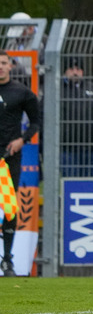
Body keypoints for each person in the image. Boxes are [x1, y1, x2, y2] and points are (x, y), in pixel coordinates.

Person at [0, 52, 40, 275]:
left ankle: (7, 260)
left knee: (8, 207)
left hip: (8, 159)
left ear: (10, 66)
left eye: (4, 63)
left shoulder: (22, 92)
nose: (1, 67)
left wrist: (21, 140)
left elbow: (35, 123)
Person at [60, 57, 93, 177]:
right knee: (69, 182)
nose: (75, 72)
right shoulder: (57, 90)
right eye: (71, 69)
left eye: (78, 69)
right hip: (67, 149)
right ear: (65, 71)